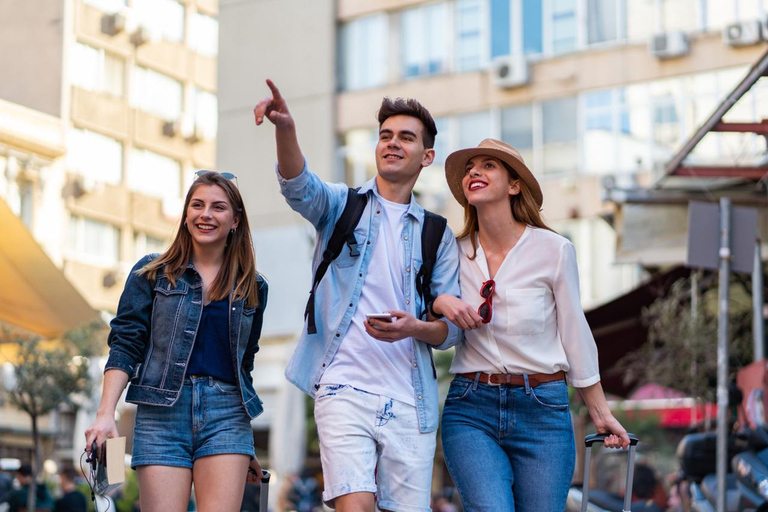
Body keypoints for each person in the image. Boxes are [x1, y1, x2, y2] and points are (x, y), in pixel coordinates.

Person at [253, 79, 460, 512]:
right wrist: (285, 130)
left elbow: (450, 332)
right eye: (385, 135)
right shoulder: (342, 206)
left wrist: (415, 327)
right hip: (343, 387)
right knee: (356, 507)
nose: (392, 143)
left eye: (406, 137)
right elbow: (298, 186)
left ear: (427, 157)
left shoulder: (437, 234)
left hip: (411, 398)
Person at [431, 139, 630, 512]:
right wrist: (440, 301)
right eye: (470, 167)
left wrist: (601, 414)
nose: (474, 172)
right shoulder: (452, 253)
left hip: (542, 410)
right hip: (471, 408)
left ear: (514, 184)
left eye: (489, 165)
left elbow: (575, 332)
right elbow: (430, 316)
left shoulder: (554, 250)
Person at [84, 171, 268, 512]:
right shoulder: (151, 274)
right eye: (197, 205)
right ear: (186, 217)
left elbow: (244, 363)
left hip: (227, 415)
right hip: (161, 413)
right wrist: (105, 413)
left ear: (235, 220)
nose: (206, 214)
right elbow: (125, 344)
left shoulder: (252, 285)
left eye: (218, 207)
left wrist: (246, 444)